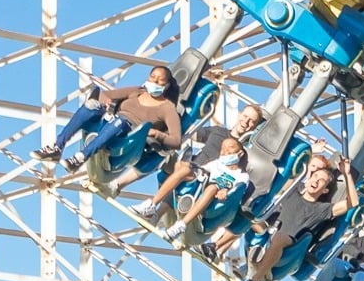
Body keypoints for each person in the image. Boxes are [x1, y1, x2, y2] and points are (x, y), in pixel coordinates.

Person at [228, 155, 358, 281]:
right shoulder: (293, 192)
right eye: (315, 176)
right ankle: (223, 249)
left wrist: (347, 174)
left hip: (291, 249)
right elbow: (283, 178)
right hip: (270, 237)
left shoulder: (323, 209)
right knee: (251, 215)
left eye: (322, 181)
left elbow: (352, 203)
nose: (316, 181)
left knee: (280, 237)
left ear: (325, 190)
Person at [31, 65, 181, 173]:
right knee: (91, 105)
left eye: (159, 80)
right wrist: (106, 101)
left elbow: (176, 140)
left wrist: (156, 134)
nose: (154, 82)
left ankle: (81, 156)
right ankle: (57, 147)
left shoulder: (167, 108)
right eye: (152, 77)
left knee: (121, 121)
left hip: (130, 137)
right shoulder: (137, 91)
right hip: (111, 122)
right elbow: (106, 94)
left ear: (166, 85)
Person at [130, 104, 263, 219]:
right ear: (239, 115)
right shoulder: (218, 132)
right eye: (245, 116)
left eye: (251, 121)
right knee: (166, 154)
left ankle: (157, 213)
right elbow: (192, 133)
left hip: (209, 181)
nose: (246, 122)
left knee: (184, 171)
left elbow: (238, 177)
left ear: (255, 126)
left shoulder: (243, 154)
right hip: (192, 168)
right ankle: (120, 182)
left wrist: (226, 190)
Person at [145, 136, 252, 246]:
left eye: (230, 148)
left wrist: (225, 191)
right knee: (184, 169)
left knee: (213, 187)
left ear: (240, 153)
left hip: (212, 209)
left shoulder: (241, 176)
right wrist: (186, 167)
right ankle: (152, 205)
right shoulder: (216, 164)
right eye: (222, 148)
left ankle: (181, 225)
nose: (225, 151)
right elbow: (201, 170)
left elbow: (238, 189)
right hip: (198, 194)